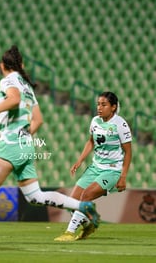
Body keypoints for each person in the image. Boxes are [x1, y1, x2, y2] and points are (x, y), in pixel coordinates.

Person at [0, 45, 101, 252]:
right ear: (21, 65)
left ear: (2, 65)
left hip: (11, 145)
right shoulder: (27, 86)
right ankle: (83, 207)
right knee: (35, 196)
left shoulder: (8, 80)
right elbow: (38, 120)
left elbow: (14, 100)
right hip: (24, 145)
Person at [54, 91, 132, 241]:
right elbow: (91, 141)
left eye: (104, 104)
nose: (99, 107)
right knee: (72, 203)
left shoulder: (120, 125)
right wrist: (80, 160)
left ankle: (69, 233)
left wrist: (123, 176)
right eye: (98, 104)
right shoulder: (95, 121)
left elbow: (128, 152)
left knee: (87, 195)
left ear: (113, 107)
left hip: (111, 170)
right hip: (95, 167)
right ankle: (89, 224)